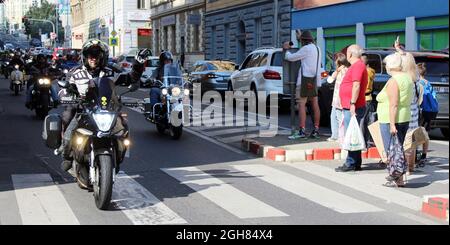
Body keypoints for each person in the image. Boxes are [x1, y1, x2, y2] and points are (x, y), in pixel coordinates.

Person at [58, 39, 150, 178]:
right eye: (90, 55)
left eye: (97, 55)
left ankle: (118, 155)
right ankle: (67, 157)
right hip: (84, 110)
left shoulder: (111, 71)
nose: (93, 58)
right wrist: (68, 95)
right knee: (69, 131)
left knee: (123, 128)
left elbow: (131, 78)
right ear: (85, 56)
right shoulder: (75, 73)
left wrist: (138, 64)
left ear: (103, 57)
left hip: (107, 110)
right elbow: (64, 89)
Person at [376, 52, 413, 187]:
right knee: (398, 148)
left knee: (391, 150)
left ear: (390, 66)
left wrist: (392, 124)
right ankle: (399, 178)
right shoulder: (407, 77)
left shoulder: (393, 81)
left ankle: (397, 177)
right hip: (404, 117)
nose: (385, 67)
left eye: (385, 64)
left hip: (391, 119)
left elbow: (393, 104)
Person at [335, 44, 368, 172]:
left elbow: (356, 85)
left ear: (350, 54)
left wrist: (352, 103)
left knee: (351, 135)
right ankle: (355, 162)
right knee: (354, 134)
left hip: (353, 106)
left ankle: (351, 162)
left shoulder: (357, 66)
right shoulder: (357, 66)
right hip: (351, 105)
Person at [283, 30, 322, 139]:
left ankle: (302, 130)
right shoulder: (317, 48)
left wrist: (286, 50)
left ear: (304, 41)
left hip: (305, 80)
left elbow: (290, 58)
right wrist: (300, 37)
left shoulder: (305, 49)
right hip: (315, 81)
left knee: (301, 104)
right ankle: (316, 129)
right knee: (315, 104)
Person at [326, 53, 350, 142]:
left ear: (338, 61)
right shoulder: (345, 70)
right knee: (334, 116)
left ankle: (340, 136)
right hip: (338, 98)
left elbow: (329, 80)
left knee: (339, 118)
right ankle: (335, 135)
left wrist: (336, 71)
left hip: (339, 99)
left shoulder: (342, 71)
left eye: (335, 60)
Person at [360, 53, 376, 147]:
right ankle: (367, 142)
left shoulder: (366, 71)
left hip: (364, 98)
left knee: (362, 121)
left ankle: (363, 143)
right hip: (368, 98)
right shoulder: (371, 71)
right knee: (368, 121)